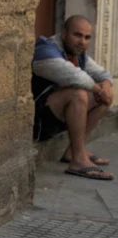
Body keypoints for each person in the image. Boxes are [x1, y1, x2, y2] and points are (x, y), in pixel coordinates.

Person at [32, 15, 114, 180]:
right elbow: (76, 77)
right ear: (64, 34)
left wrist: (105, 85)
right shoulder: (45, 51)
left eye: (87, 37)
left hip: (58, 115)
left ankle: (74, 151)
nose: (82, 41)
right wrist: (100, 89)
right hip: (37, 122)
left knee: (104, 99)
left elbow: (103, 73)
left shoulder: (78, 53)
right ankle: (78, 160)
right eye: (77, 35)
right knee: (79, 94)